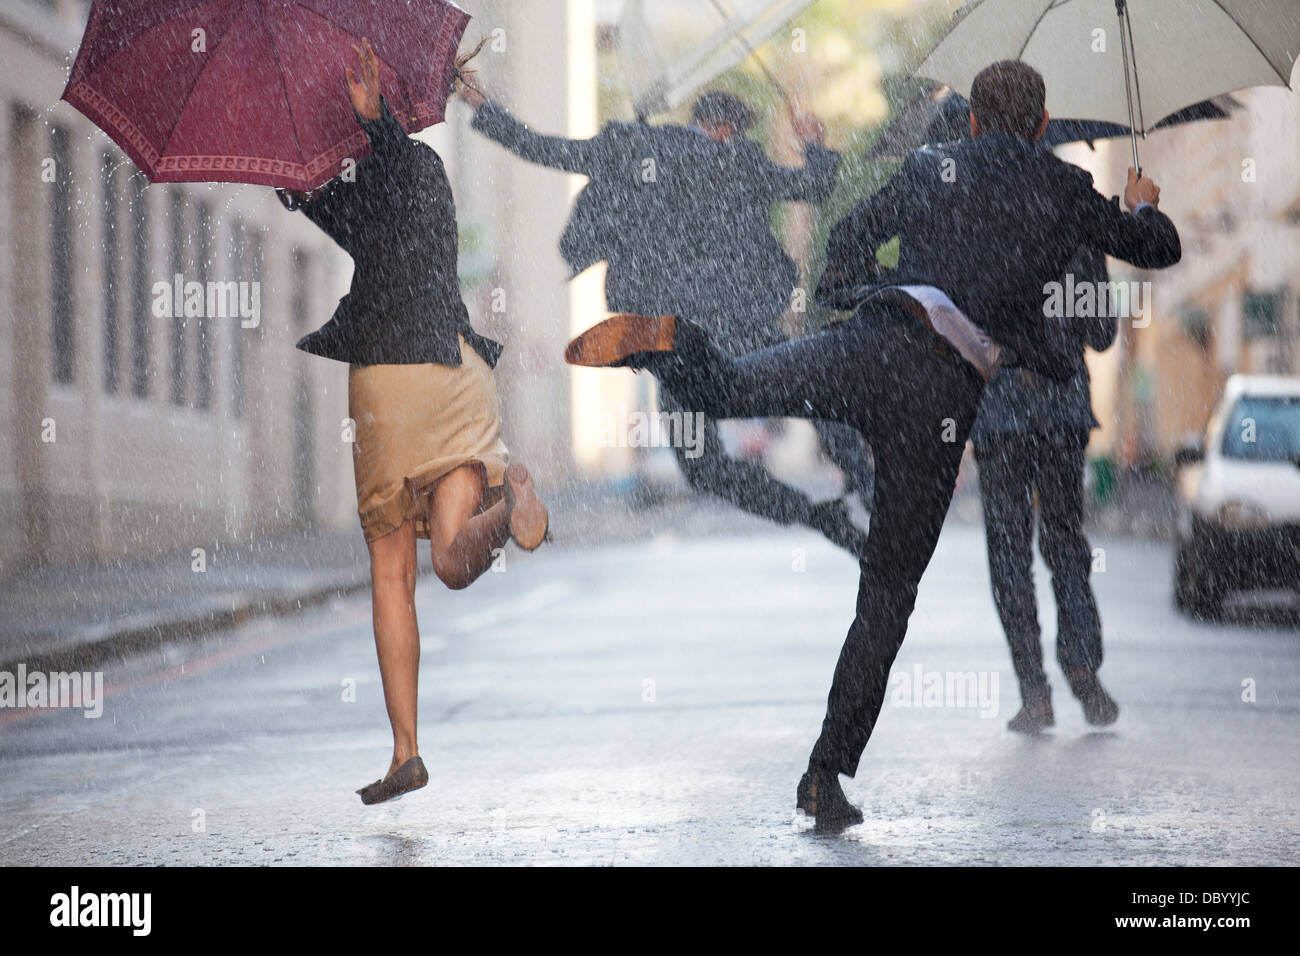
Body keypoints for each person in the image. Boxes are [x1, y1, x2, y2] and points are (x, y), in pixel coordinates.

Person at [563, 60, 1181, 830]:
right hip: (941, 400)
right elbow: (1156, 249)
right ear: (1042, 120)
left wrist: (860, 297)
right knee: (886, 595)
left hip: (872, 339)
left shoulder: (933, 165)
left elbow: (851, 239)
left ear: (978, 122)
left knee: (729, 391)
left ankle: (670, 342)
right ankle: (824, 775)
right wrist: (1144, 206)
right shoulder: (1063, 190)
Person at [279, 42, 549, 805]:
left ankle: (406, 748)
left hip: (393, 390)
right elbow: (356, 208)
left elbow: (372, 189)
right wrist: (300, 185)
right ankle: (510, 513)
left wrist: (363, 137)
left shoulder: (405, 166)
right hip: (458, 378)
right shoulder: (417, 173)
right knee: (453, 560)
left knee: (393, 575)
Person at [457, 81, 869, 558]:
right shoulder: (737, 160)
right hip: (740, 322)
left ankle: (817, 514)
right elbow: (813, 185)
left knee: (703, 467)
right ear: (726, 130)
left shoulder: (635, 149)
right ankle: (866, 488)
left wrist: (482, 104)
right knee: (814, 395)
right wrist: (815, 143)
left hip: (675, 339)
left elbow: (543, 149)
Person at [972, 245, 1120, 734]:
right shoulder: (1077, 227)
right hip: (1063, 409)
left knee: (1009, 555)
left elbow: (962, 327)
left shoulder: (983, 220)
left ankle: (1034, 692)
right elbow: (1101, 336)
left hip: (1001, 412)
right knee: (1063, 539)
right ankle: (1080, 660)